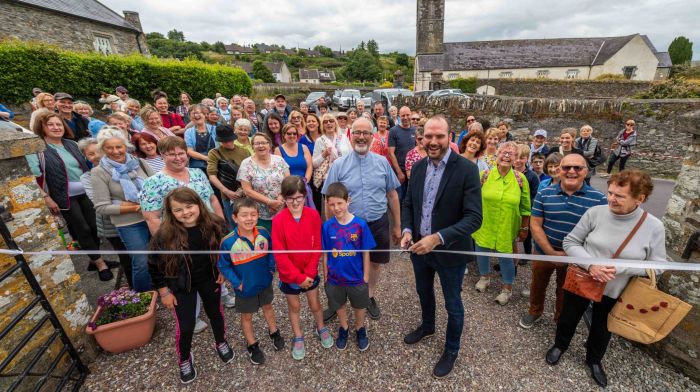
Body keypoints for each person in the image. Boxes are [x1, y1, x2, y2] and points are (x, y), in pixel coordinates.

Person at [546, 169, 664, 388]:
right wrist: (592, 265)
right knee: (568, 316)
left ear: (640, 199)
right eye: (610, 192)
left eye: (619, 196)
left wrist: (620, 269)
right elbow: (571, 242)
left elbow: (658, 267)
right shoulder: (595, 213)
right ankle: (560, 346)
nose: (611, 199)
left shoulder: (654, 227)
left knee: (603, 327)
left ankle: (594, 360)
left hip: (616, 290)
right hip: (582, 279)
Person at [400, 116, 482, 378]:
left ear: (450, 136)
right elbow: (409, 203)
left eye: (439, 136)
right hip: (419, 250)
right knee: (424, 292)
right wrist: (407, 230)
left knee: (453, 304)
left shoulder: (467, 170)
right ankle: (427, 326)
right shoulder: (420, 167)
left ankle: (451, 350)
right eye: (428, 136)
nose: (433, 141)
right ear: (421, 137)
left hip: (450, 251)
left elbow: (474, 218)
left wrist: (438, 238)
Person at [149, 188, 233, 384]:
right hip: (180, 286)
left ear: (198, 204)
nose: (185, 213)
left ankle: (221, 341)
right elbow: (154, 265)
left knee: (216, 315)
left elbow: (228, 249)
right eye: (178, 210)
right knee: (185, 326)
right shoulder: (163, 234)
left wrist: (223, 270)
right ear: (170, 212)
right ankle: (185, 358)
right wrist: (163, 292)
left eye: (189, 206)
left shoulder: (216, 224)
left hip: (210, 279)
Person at [321, 118, 401, 322]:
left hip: (377, 223)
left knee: (374, 264)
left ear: (373, 136)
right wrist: (330, 228)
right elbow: (328, 199)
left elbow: (392, 195)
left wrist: (398, 225)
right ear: (351, 134)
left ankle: (369, 296)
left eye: (366, 132)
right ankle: (337, 301)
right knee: (341, 262)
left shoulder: (383, 162)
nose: (361, 137)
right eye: (357, 132)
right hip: (346, 227)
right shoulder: (339, 165)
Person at [519, 153, 607, 329]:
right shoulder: (544, 193)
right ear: (559, 170)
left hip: (575, 257)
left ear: (586, 171)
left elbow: (598, 232)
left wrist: (570, 254)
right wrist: (551, 253)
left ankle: (560, 318)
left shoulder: (599, 199)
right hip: (544, 252)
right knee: (537, 284)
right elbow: (536, 225)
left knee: (566, 290)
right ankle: (534, 311)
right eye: (566, 167)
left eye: (577, 168)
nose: (571, 171)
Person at [26, 112, 113, 280]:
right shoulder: (37, 148)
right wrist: (46, 197)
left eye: (58, 124)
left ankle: (94, 259)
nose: (56, 127)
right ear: (41, 127)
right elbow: (34, 176)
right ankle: (101, 265)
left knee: (95, 227)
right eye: (50, 124)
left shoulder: (71, 144)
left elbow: (87, 163)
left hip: (86, 191)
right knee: (83, 230)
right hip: (64, 196)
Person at [271, 176, 332, 360]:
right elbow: (280, 255)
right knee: (294, 306)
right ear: (283, 198)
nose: (295, 202)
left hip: (310, 273)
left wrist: (310, 273)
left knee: (315, 304)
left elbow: (317, 247)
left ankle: (320, 326)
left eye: (299, 198)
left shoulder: (313, 215)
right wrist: (298, 278)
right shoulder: (278, 220)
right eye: (290, 198)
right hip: (290, 276)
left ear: (305, 197)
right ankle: (298, 335)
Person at [218, 197, 285, 365]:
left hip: (264, 281)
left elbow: (271, 252)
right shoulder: (228, 242)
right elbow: (224, 266)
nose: (249, 219)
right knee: (247, 316)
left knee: (268, 306)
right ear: (234, 218)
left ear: (257, 216)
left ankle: (274, 331)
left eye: (253, 215)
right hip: (245, 286)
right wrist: (237, 283)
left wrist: (271, 269)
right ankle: (252, 344)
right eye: (244, 215)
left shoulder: (263, 232)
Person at [91, 127, 155, 292]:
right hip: (129, 224)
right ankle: (143, 296)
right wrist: (134, 207)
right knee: (141, 261)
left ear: (125, 146)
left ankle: (163, 286)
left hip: (154, 217)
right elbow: (102, 206)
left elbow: (157, 185)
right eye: (109, 148)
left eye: (118, 147)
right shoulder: (99, 172)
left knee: (162, 255)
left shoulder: (139, 162)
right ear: (102, 149)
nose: (115, 151)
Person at [472, 142, 530, 305]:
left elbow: (526, 207)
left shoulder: (520, 179)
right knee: (482, 251)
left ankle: (507, 289)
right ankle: (484, 277)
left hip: (507, 225)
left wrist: (524, 227)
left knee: (506, 258)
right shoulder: (484, 175)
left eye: (511, 153)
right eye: (504, 152)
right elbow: (474, 199)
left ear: (516, 158)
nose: (506, 155)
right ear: (496, 155)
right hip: (485, 223)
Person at [322, 182, 374, 351]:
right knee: (339, 304)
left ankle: (360, 328)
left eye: (339, 203)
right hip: (335, 278)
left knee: (359, 305)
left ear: (348, 201)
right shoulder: (327, 226)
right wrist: (326, 275)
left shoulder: (360, 225)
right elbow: (325, 253)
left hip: (356, 277)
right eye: (332, 204)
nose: (336, 208)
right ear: (328, 205)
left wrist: (365, 276)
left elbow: (366, 252)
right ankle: (343, 327)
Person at [139, 136, 224, 234]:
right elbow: (152, 218)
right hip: (179, 236)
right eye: (172, 154)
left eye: (181, 153)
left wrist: (221, 225)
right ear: (162, 156)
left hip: (210, 230)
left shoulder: (198, 173)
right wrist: (165, 244)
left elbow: (212, 200)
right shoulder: (152, 183)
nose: (178, 158)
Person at [77, 137, 129, 286]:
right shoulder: (87, 177)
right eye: (91, 154)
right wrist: (129, 203)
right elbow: (99, 202)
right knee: (126, 257)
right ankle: (138, 289)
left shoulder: (123, 168)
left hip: (133, 218)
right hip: (111, 224)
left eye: (99, 151)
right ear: (86, 157)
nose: (97, 156)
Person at [237, 133, 290, 231]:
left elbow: (288, 182)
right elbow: (247, 190)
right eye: (257, 143)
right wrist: (269, 202)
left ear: (269, 145)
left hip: (282, 208)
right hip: (259, 213)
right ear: (252, 146)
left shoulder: (279, 160)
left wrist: (280, 198)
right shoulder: (246, 164)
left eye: (263, 143)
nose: (261, 146)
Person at [207, 124, 249, 230]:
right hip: (228, 194)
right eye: (225, 141)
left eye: (230, 140)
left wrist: (244, 189)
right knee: (234, 224)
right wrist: (226, 191)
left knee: (248, 221)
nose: (228, 143)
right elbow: (212, 176)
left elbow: (250, 173)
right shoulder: (214, 153)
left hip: (245, 192)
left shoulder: (244, 151)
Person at [312, 114, 352, 195]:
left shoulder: (343, 137)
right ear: (322, 125)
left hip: (345, 175)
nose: (329, 123)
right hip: (329, 177)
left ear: (335, 123)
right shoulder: (320, 140)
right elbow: (314, 164)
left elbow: (352, 156)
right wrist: (324, 154)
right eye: (325, 122)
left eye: (331, 121)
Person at [388, 106, 416, 200]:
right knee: (399, 198)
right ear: (399, 116)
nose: (405, 117)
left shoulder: (415, 130)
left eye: (407, 115)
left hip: (413, 172)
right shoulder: (393, 131)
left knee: (411, 198)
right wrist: (399, 172)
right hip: (399, 172)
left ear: (411, 115)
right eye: (403, 115)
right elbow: (391, 153)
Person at [184, 104, 217, 174]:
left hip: (215, 164)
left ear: (205, 115)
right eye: (193, 113)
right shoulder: (188, 132)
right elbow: (189, 151)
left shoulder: (214, 129)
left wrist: (213, 159)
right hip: (197, 167)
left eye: (199, 112)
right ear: (190, 117)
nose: (196, 115)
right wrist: (207, 158)